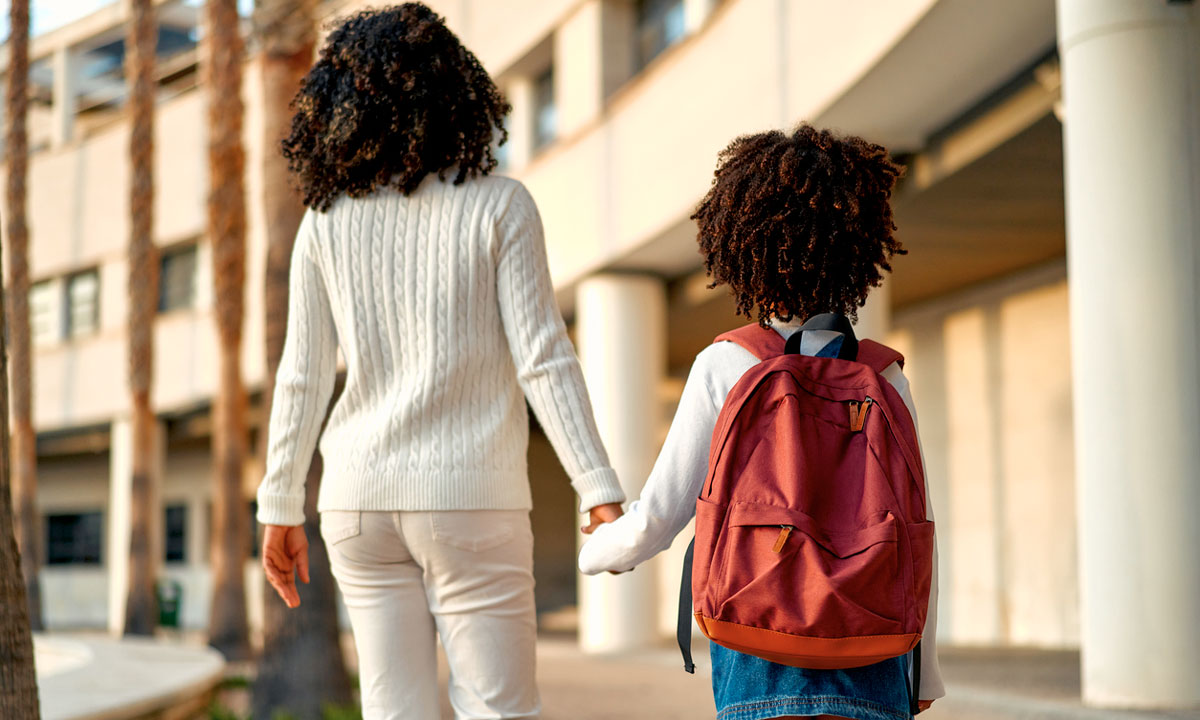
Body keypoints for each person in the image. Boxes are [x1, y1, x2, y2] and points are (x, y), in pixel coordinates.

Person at [254, 5, 625, 719]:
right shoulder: (500, 207)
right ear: (456, 93)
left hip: (357, 503)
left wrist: (279, 505)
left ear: (340, 105)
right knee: (499, 710)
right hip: (471, 497)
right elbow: (544, 357)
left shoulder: (323, 224)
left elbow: (301, 376)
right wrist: (596, 484)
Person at [578, 125, 945, 720]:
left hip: (761, 653)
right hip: (874, 659)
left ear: (740, 243)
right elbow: (916, 529)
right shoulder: (885, 374)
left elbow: (659, 518)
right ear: (858, 247)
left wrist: (597, 552)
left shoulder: (728, 362)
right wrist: (923, 669)